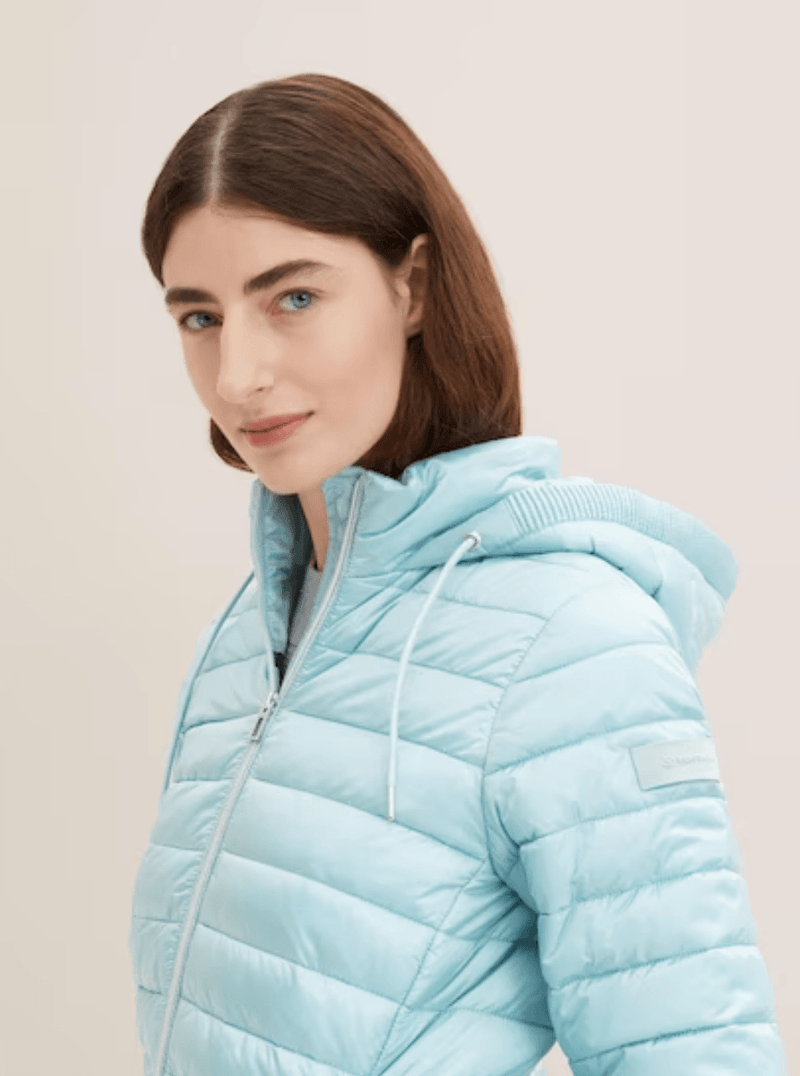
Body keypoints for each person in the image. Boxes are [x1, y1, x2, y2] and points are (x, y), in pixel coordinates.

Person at [128, 73, 786, 1076]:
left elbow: (693, 1052)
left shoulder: (573, 640)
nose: (236, 375)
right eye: (199, 318)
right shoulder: (252, 629)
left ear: (414, 287)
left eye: (293, 297)